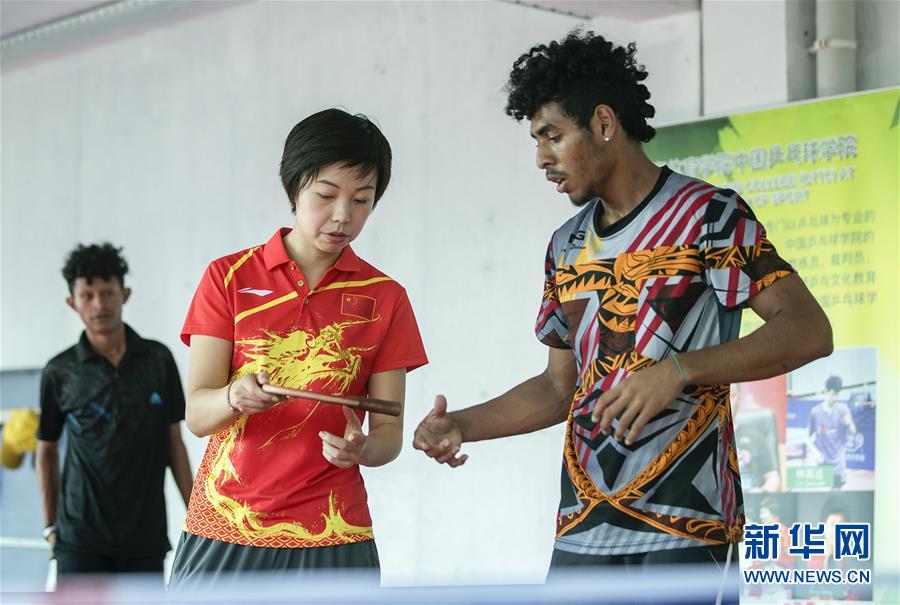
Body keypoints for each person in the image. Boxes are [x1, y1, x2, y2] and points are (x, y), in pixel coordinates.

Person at [413, 30, 832, 593]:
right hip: (582, 532)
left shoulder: (711, 217)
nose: (541, 159)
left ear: (604, 124)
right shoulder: (565, 246)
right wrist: (462, 424)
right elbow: (559, 388)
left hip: (688, 530)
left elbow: (808, 331)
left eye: (553, 137)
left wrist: (680, 371)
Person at [169, 108, 427, 586]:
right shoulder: (228, 278)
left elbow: (389, 433)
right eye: (326, 196)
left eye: (362, 201)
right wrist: (232, 397)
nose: (342, 216)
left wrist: (363, 449)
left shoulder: (386, 298)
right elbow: (199, 415)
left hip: (334, 533)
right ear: (294, 189)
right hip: (226, 523)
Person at [36, 243, 193, 581]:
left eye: (107, 293)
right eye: (87, 295)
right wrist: (51, 526)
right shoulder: (59, 372)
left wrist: (197, 515)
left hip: (145, 537)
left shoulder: (158, 360)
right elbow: (46, 449)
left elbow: (174, 444)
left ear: (125, 294)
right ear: (72, 303)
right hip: (80, 540)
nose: (98, 304)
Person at [806, 375, 856, 489]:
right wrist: (816, 452)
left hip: (839, 466)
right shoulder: (815, 412)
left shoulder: (842, 410)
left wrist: (849, 424)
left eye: (837, 395)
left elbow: (853, 432)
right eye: (832, 394)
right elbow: (807, 439)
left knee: (837, 496)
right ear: (826, 392)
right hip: (823, 464)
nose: (835, 398)